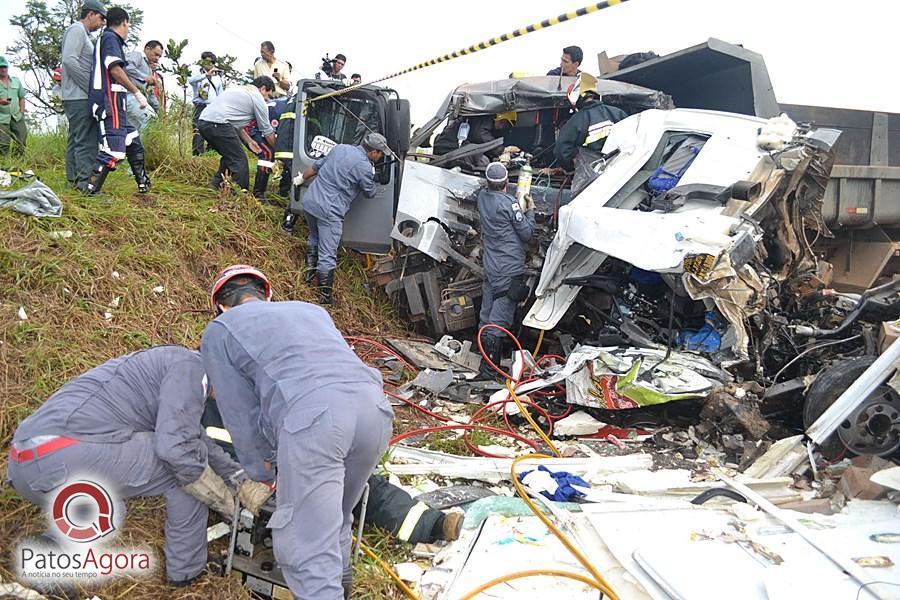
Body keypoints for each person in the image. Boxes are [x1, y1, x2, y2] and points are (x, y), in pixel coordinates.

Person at [202, 264, 394, 599]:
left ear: (219, 304)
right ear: (266, 294)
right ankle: (342, 586)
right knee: (335, 517)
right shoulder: (311, 311)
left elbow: (240, 412)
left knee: (304, 547)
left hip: (316, 421)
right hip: (374, 411)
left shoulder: (221, 330)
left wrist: (261, 469)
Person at [5, 346, 271, 587]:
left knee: (174, 468)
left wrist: (240, 480)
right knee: (181, 468)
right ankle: (186, 572)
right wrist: (226, 503)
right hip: (61, 454)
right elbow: (177, 451)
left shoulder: (175, 371)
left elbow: (196, 439)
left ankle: (56, 548)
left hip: (29, 466)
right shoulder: (192, 367)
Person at [294, 132, 391, 304]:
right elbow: (370, 193)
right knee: (327, 254)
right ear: (373, 152)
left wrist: (301, 178)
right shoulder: (364, 167)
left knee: (314, 236)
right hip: (329, 210)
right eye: (381, 153)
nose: (381, 156)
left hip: (310, 202)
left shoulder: (340, 148)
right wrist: (373, 176)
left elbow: (316, 167)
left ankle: (307, 274)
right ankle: (324, 297)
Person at [476, 162, 535, 379]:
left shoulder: (482, 198)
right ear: (507, 183)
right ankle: (491, 371)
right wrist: (530, 211)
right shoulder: (510, 204)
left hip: (491, 267)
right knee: (498, 319)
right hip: (508, 269)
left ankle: (485, 366)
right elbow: (527, 234)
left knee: (486, 316)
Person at [85, 7, 151, 195]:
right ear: (125, 22)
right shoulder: (110, 38)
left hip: (116, 102)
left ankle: (143, 184)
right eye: (128, 24)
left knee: (133, 141)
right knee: (113, 151)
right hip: (109, 101)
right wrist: (136, 92)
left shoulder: (111, 41)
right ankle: (90, 192)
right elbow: (114, 69)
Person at [198, 77, 276, 192]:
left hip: (203, 123)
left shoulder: (238, 90)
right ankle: (240, 194)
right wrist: (278, 149)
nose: (268, 100)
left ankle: (214, 185)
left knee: (230, 155)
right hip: (218, 124)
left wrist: (249, 141)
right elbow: (267, 131)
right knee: (239, 160)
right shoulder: (257, 98)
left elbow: (233, 122)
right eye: (268, 96)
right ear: (263, 89)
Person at [60, 0, 106, 188]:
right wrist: (90, 88)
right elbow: (69, 61)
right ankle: (86, 185)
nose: (103, 23)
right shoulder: (77, 30)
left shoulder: (84, 34)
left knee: (77, 138)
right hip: (79, 96)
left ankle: (74, 181)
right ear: (90, 14)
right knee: (86, 141)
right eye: (101, 18)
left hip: (75, 96)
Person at [555, 72, 628, 172]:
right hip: (621, 170)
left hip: (590, 175)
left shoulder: (575, 122)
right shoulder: (618, 114)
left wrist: (571, 168)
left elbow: (563, 152)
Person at [432, 114, 517, 169]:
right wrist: (503, 150)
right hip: (449, 150)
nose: (502, 126)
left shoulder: (483, 123)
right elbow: (479, 135)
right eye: (503, 122)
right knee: (483, 162)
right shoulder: (484, 119)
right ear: (499, 117)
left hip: (452, 150)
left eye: (505, 125)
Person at [124, 40, 164, 132]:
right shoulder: (137, 56)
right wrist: (144, 77)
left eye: (159, 56)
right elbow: (126, 66)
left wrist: (160, 111)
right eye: (156, 54)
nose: (157, 58)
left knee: (135, 131)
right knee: (151, 121)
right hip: (129, 95)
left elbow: (149, 93)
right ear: (147, 49)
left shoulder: (149, 70)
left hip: (140, 100)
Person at [189, 51, 223, 155]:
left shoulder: (217, 77)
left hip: (212, 106)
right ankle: (198, 153)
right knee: (198, 129)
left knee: (212, 129)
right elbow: (191, 81)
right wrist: (206, 75)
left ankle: (210, 152)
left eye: (212, 62)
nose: (210, 64)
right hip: (200, 105)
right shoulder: (198, 74)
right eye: (207, 62)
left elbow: (220, 92)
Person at [0, 57, 28, 155]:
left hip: (16, 116)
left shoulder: (16, 81)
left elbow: (21, 97)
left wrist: (22, 112)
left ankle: (18, 164)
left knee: (21, 140)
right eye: (1, 67)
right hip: (2, 118)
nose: (3, 69)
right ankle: (4, 166)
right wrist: (1, 101)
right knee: (3, 143)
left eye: (5, 67)